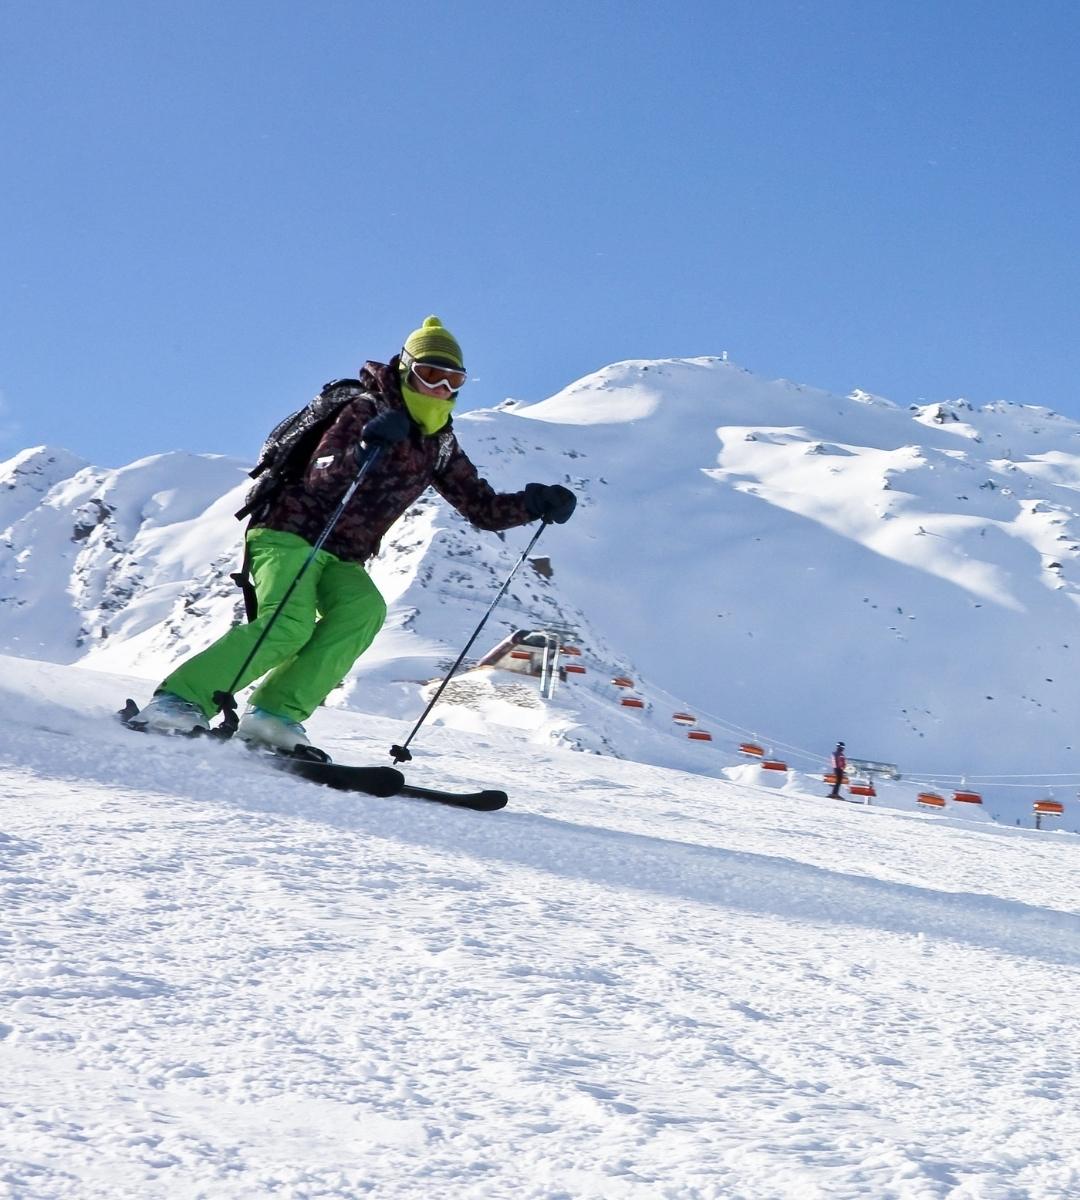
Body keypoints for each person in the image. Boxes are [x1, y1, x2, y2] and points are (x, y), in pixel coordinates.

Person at [134, 316, 576, 753]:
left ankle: (274, 715)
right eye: (431, 375)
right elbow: (320, 475)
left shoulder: (437, 441)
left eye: (452, 380)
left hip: (344, 554)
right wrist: (365, 446)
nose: (441, 390)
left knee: (363, 612)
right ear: (406, 371)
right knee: (288, 624)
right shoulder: (365, 408)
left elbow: (482, 507)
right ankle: (180, 699)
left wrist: (533, 504)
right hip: (289, 530)